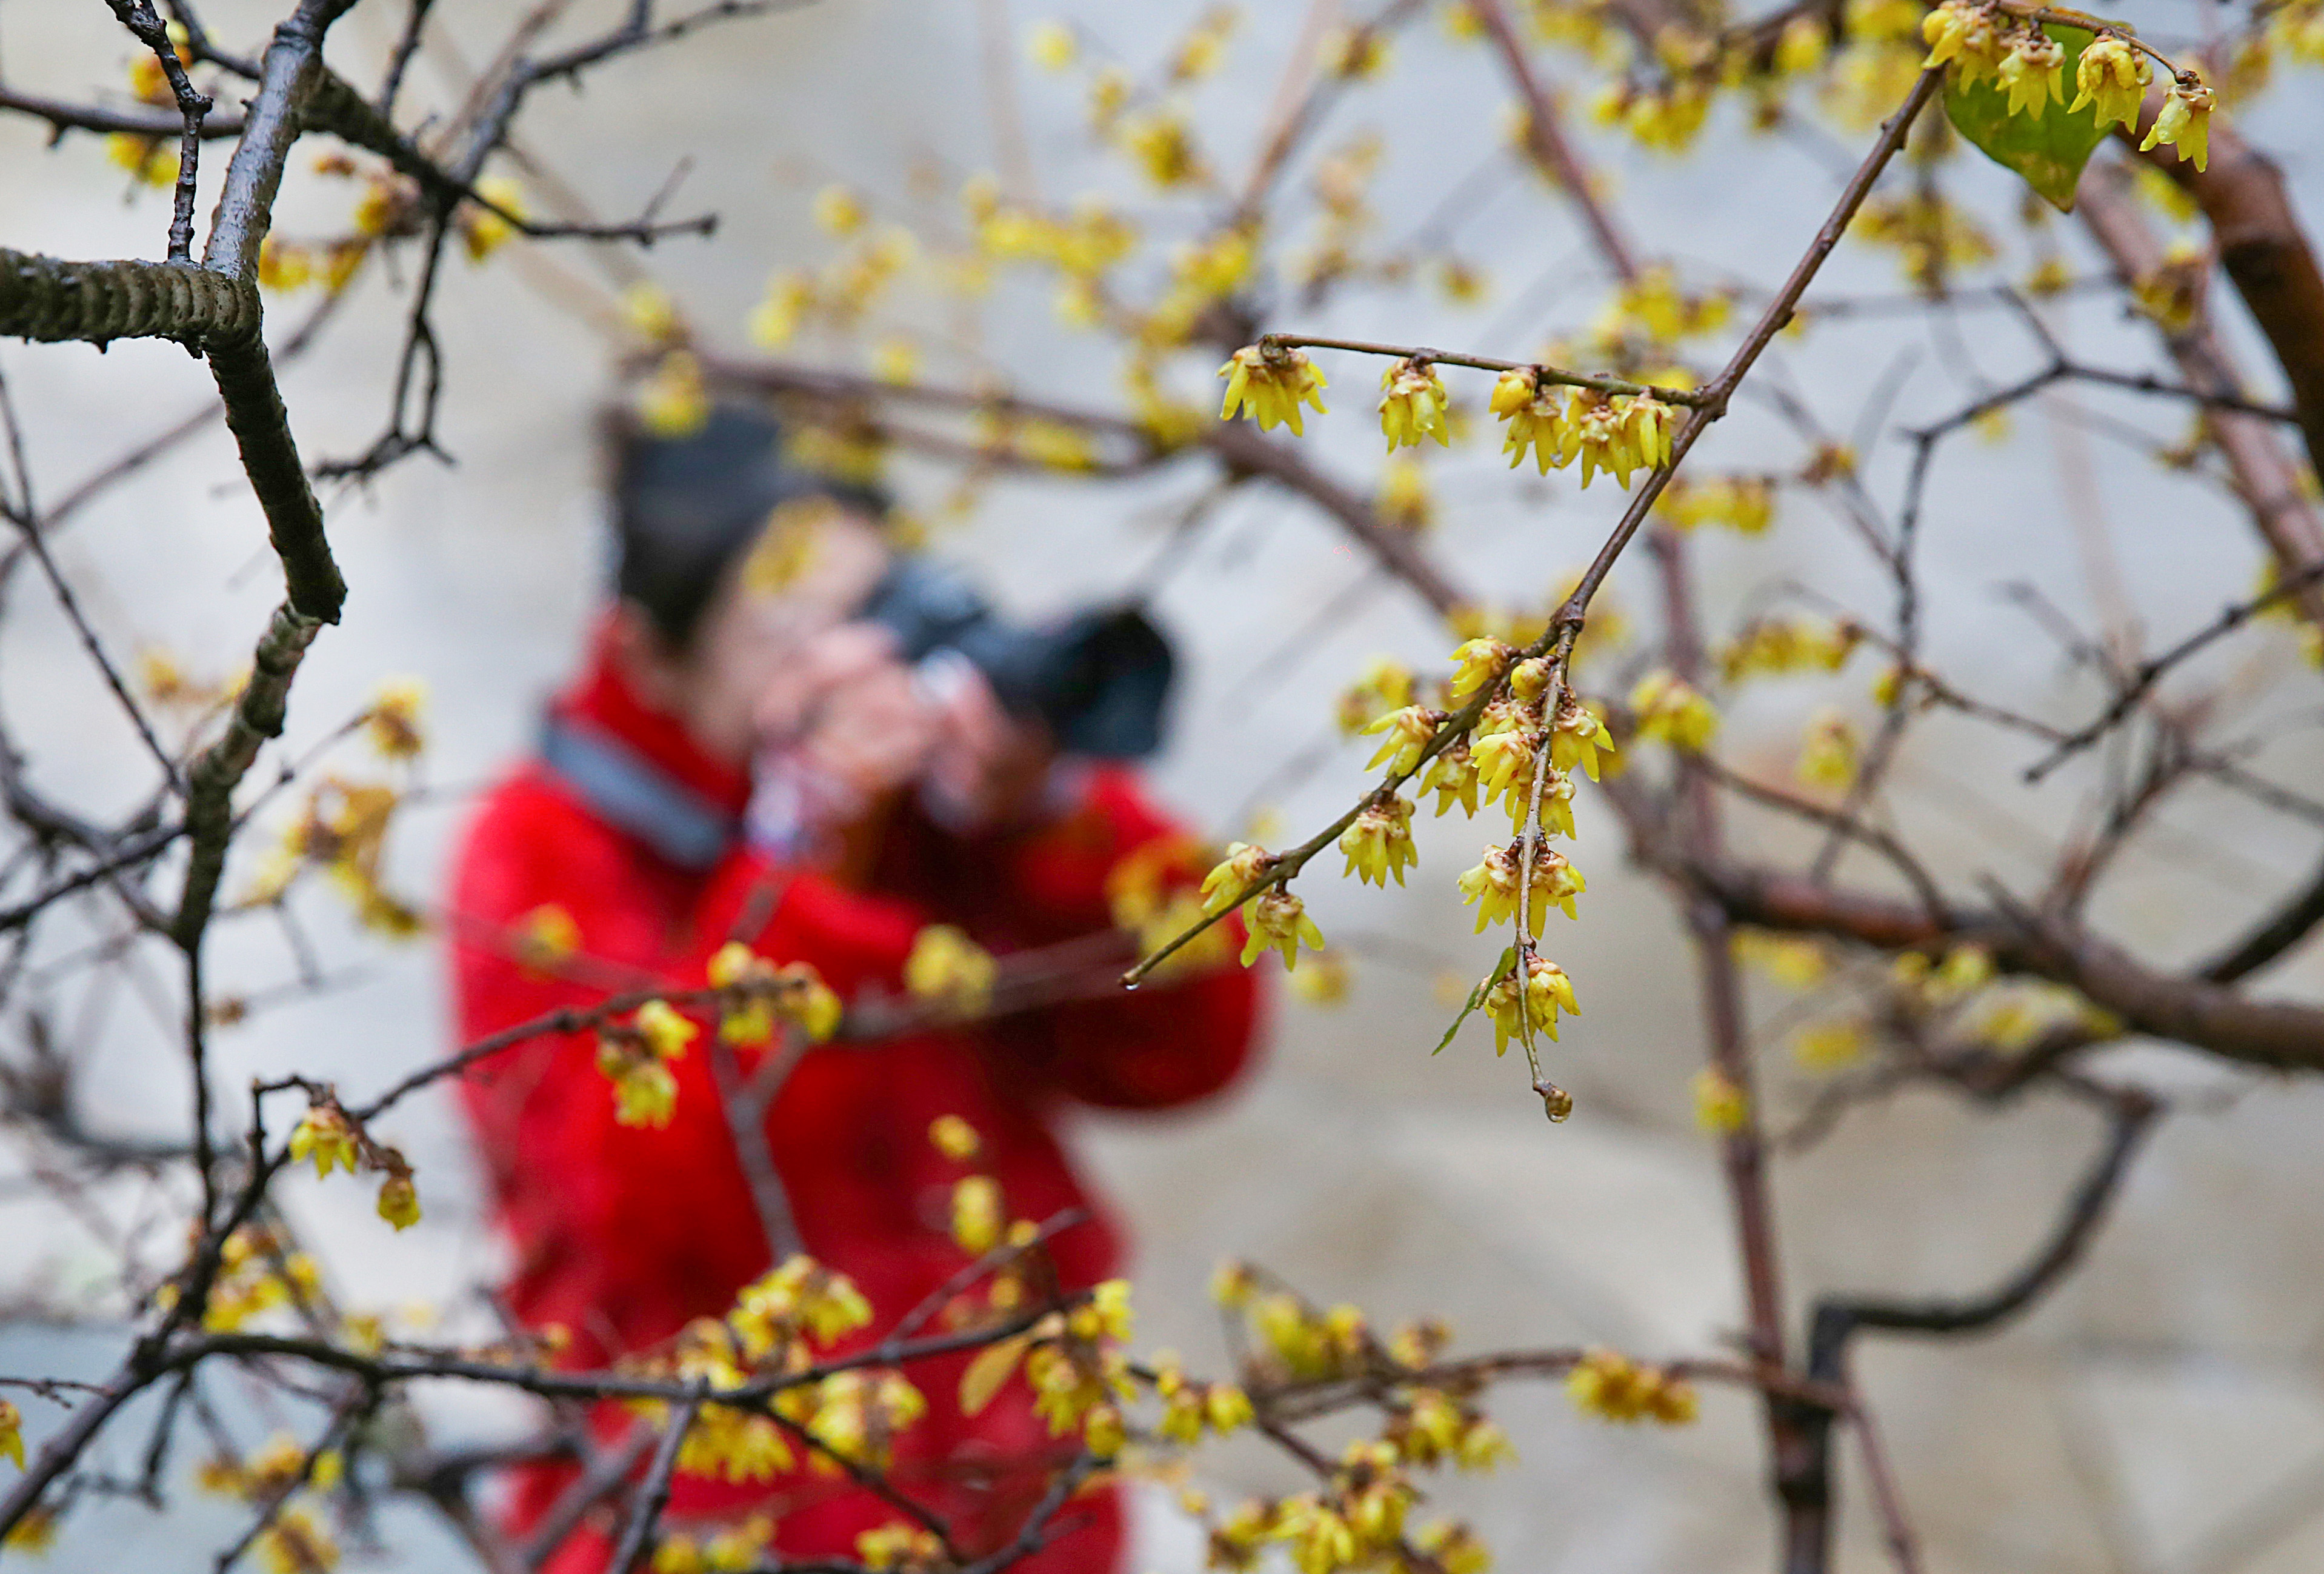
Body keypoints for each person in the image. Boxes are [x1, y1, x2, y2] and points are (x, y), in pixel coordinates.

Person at [446, 404, 1261, 1573]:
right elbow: (648, 1220)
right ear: (647, 657)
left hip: (1023, 1511)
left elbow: (1200, 1048)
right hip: (720, 1525)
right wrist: (801, 862)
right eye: (797, 632)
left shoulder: (934, 809)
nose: (862, 667)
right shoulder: (540, 852)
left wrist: (1042, 819)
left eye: (880, 611)